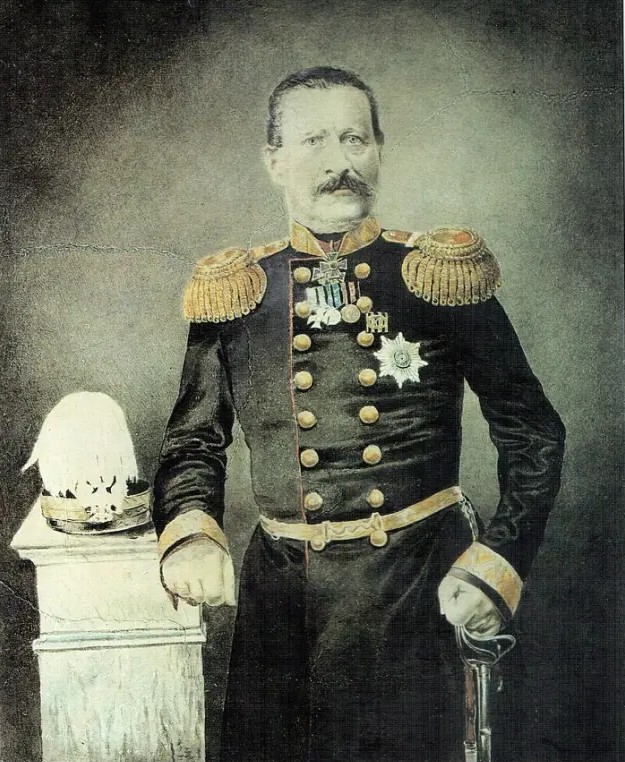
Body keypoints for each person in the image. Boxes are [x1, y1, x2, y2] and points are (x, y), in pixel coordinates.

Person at [152, 67, 565, 762]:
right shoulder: (237, 292)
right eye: (314, 141)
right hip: (284, 601)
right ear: (274, 161)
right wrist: (191, 534)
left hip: (418, 589)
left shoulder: (436, 274)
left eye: (355, 139)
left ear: (378, 150)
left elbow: (532, 433)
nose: (339, 162)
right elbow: (193, 442)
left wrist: (499, 559)